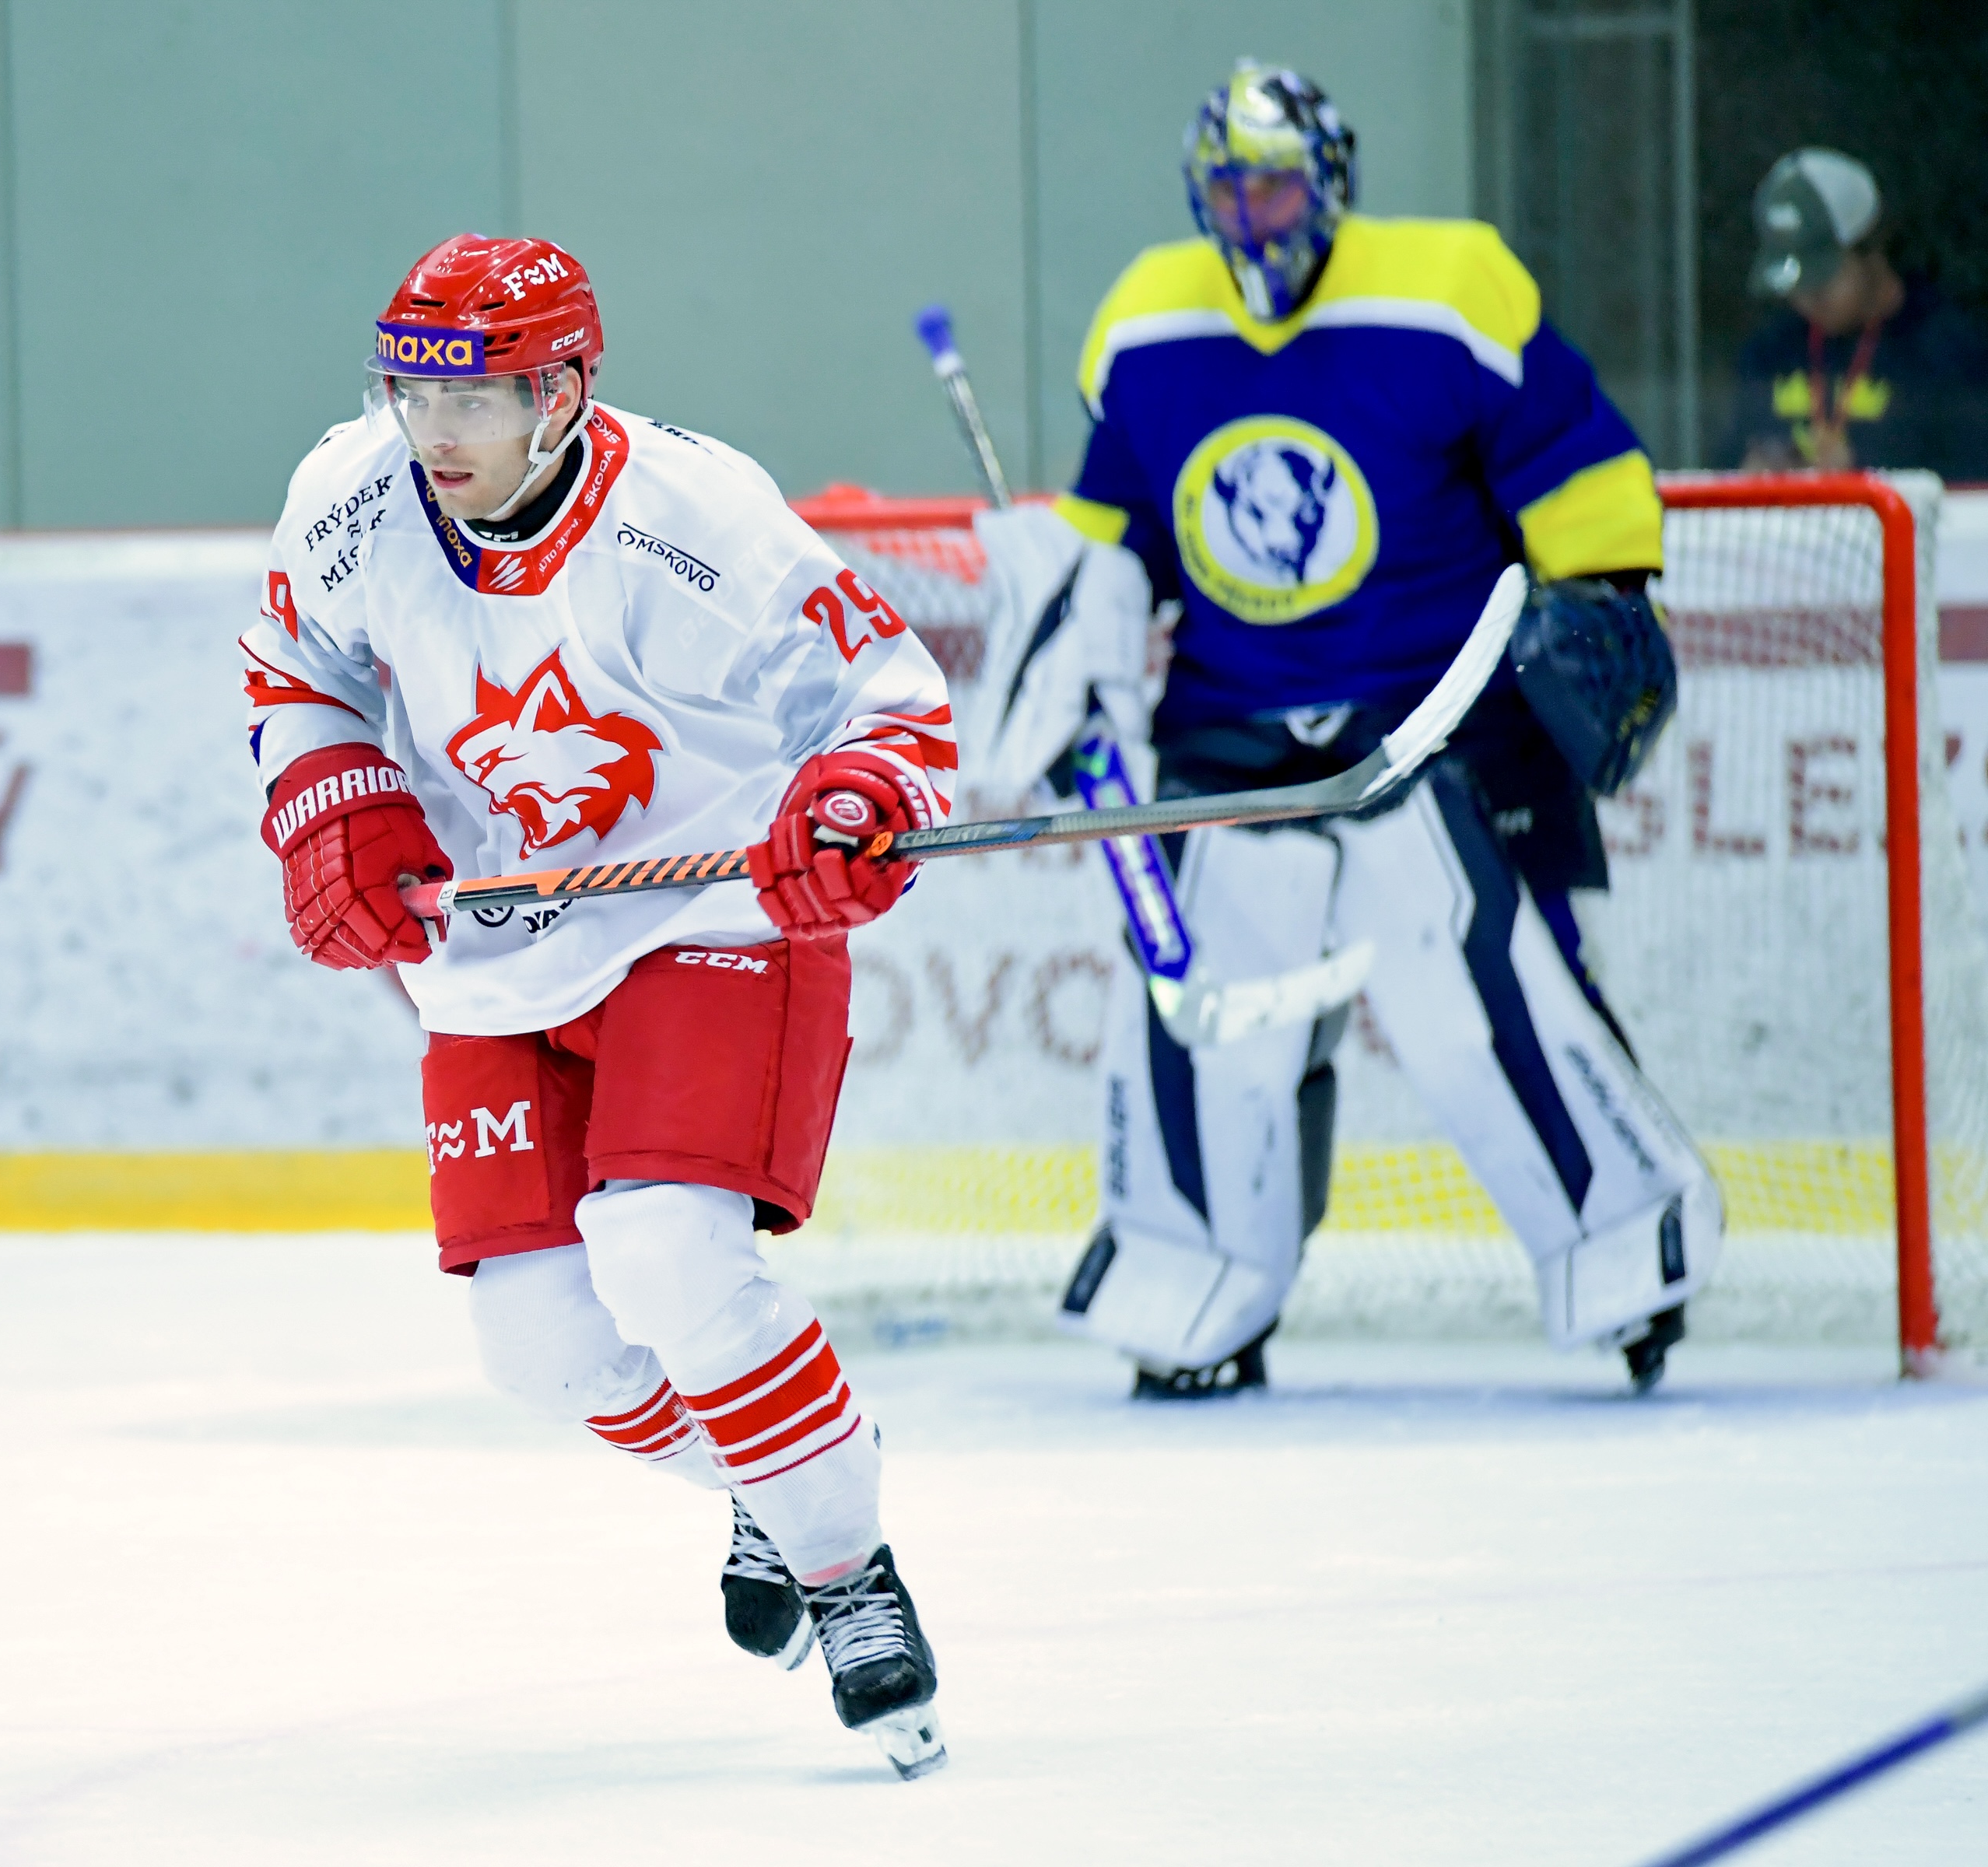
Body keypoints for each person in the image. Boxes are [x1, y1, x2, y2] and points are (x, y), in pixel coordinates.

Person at [239, 234, 954, 1778]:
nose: (434, 433)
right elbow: (297, 667)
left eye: (474, 398)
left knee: (667, 1251)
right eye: (412, 393)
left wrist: (854, 799)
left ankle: (846, 1572)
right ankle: (782, 1474)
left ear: (562, 393)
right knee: (540, 1345)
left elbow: (883, 696)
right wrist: (336, 802)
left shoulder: (694, 518)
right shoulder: (353, 497)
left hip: (709, 909)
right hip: (497, 946)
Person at [972, 61, 1723, 1398]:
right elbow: (1116, 533)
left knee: (1478, 1000)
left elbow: (1574, 463)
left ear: (1329, 183)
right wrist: (1072, 640)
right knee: (1202, 1018)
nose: (1249, 220)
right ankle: (1195, 1285)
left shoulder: (1450, 289)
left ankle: (1625, 1251)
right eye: (1226, 192)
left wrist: (1605, 594)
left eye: (1271, 189)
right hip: (1228, 735)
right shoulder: (1147, 321)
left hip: (1432, 722)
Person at [1731, 148, 1988, 479]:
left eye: (1821, 279)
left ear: (1871, 247)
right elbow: (1726, 461)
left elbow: (1973, 485)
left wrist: (1861, 476)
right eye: (1795, 284)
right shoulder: (1770, 353)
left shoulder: (1948, 352)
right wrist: (1752, 475)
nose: (1806, 299)